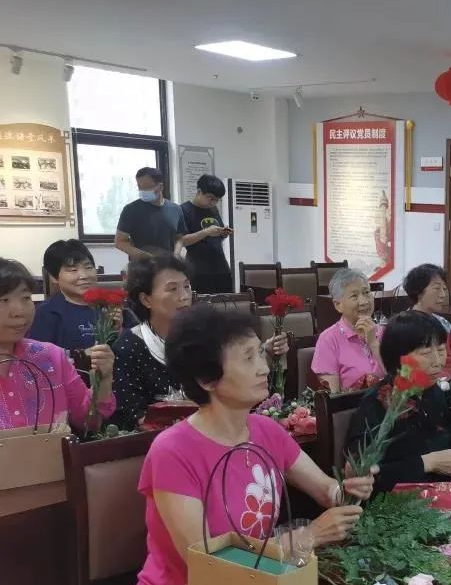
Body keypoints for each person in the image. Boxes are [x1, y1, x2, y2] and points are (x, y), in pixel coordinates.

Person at [128, 305, 375, 585]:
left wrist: (349, 488)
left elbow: (325, 490)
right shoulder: (172, 451)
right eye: (247, 359)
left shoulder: (265, 430)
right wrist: (307, 537)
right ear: (206, 379)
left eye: (260, 353)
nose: (263, 368)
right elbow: (210, 564)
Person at [112, 255, 290, 431]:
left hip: (218, 429)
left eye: (187, 287)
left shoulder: (205, 334)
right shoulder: (129, 346)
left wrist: (264, 353)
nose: (184, 296)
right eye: (172, 289)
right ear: (146, 299)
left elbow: (230, 381)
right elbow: (132, 414)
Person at [344, 311, 451, 493]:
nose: (438, 362)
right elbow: (361, 476)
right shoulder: (377, 403)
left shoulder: (433, 391)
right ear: (398, 357)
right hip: (397, 506)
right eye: (426, 353)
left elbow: (447, 444)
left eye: (440, 350)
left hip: (443, 495)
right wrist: (426, 463)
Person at [0, 257, 115, 431]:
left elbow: (89, 423)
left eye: (25, 298)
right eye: (4, 300)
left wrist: (104, 379)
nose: (19, 311)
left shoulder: (51, 357)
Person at [29, 239, 118, 350]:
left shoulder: (110, 307)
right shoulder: (46, 313)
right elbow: (38, 358)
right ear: (53, 277)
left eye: (89, 267)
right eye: (73, 270)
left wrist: (120, 328)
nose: (84, 275)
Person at [311, 267, 384, 392]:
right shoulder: (328, 339)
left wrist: (373, 344)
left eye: (366, 292)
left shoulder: (385, 332)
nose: (364, 301)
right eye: (354, 296)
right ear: (338, 305)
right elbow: (332, 397)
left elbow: (398, 383)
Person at [114, 167, 188, 262]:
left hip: (167, 266)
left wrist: (176, 255)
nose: (143, 191)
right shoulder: (130, 210)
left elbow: (180, 238)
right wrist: (146, 257)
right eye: (140, 187)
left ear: (160, 187)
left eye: (147, 187)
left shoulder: (176, 209)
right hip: (140, 267)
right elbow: (120, 242)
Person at [179, 174, 233, 294]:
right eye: (211, 198)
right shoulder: (183, 210)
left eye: (217, 200)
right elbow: (182, 240)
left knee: (226, 305)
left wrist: (223, 233)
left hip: (221, 267)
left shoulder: (213, 209)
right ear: (199, 191)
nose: (213, 202)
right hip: (198, 270)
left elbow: (215, 236)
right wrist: (206, 232)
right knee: (201, 308)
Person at [403, 263, 451, 333]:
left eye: (444, 289)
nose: (443, 295)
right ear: (418, 291)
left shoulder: (444, 324)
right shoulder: (402, 325)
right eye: (437, 288)